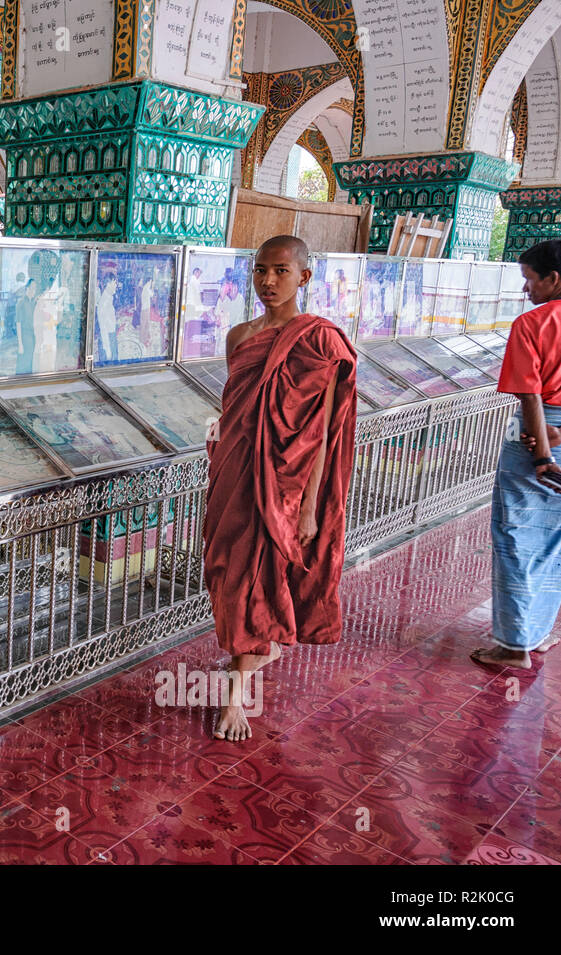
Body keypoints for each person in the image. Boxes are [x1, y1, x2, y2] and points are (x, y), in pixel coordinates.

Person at [203, 235, 357, 742]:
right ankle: (240, 664)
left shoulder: (321, 342)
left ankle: (236, 694)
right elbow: (238, 412)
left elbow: (325, 435)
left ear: (303, 277)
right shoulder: (239, 336)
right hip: (235, 476)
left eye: (281, 271)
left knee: (259, 578)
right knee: (229, 574)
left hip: (288, 487)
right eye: (261, 270)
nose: (269, 281)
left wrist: (311, 507)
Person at [473, 239, 561, 669]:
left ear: (553, 279)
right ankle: (541, 631)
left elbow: (530, 395)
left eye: (530, 279)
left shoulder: (533, 323)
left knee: (514, 534)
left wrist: (543, 452)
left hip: (535, 435)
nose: (526, 289)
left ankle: (513, 645)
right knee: (555, 539)